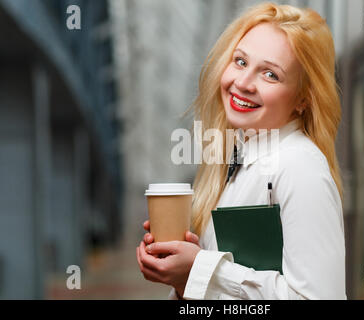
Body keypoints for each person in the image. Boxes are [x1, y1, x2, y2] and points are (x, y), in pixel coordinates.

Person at [136, 2, 346, 300]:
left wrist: (202, 268)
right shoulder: (237, 159)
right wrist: (185, 281)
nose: (243, 83)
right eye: (240, 61)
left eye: (270, 74)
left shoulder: (300, 168)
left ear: (303, 99)